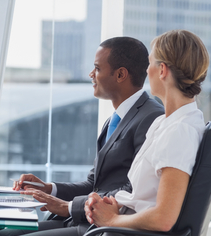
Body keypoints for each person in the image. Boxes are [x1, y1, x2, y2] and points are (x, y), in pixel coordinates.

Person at [0, 37, 165, 236]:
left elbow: (133, 191)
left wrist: (70, 206)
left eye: (97, 68)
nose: (91, 75)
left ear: (121, 74)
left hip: (103, 228)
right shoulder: (114, 120)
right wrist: (49, 189)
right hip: (83, 221)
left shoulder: (151, 118)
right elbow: (94, 185)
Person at [85, 30, 209, 233]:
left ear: (162, 71)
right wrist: (112, 204)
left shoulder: (180, 131)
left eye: (149, 63)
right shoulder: (165, 122)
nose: (146, 71)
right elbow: (143, 196)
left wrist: (112, 219)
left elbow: (164, 218)